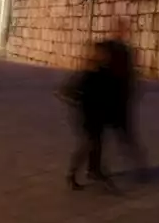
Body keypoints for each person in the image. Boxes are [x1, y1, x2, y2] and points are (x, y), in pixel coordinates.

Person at [58, 42, 115, 191]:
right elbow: (66, 90)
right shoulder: (87, 73)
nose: (106, 56)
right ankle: (71, 175)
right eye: (103, 53)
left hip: (98, 115)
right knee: (87, 146)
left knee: (97, 143)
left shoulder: (103, 70)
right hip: (86, 116)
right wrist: (77, 101)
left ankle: (94, 170)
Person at [101, 17, 148, 180]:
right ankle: (94, 168)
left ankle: (139, 167)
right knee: (100, 137)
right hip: (108, 99)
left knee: (126, 136)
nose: (124, 33)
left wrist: (133, 89)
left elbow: (130, 73)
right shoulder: (108, 47)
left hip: (120, 100)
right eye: (122, 29)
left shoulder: (126, 50)